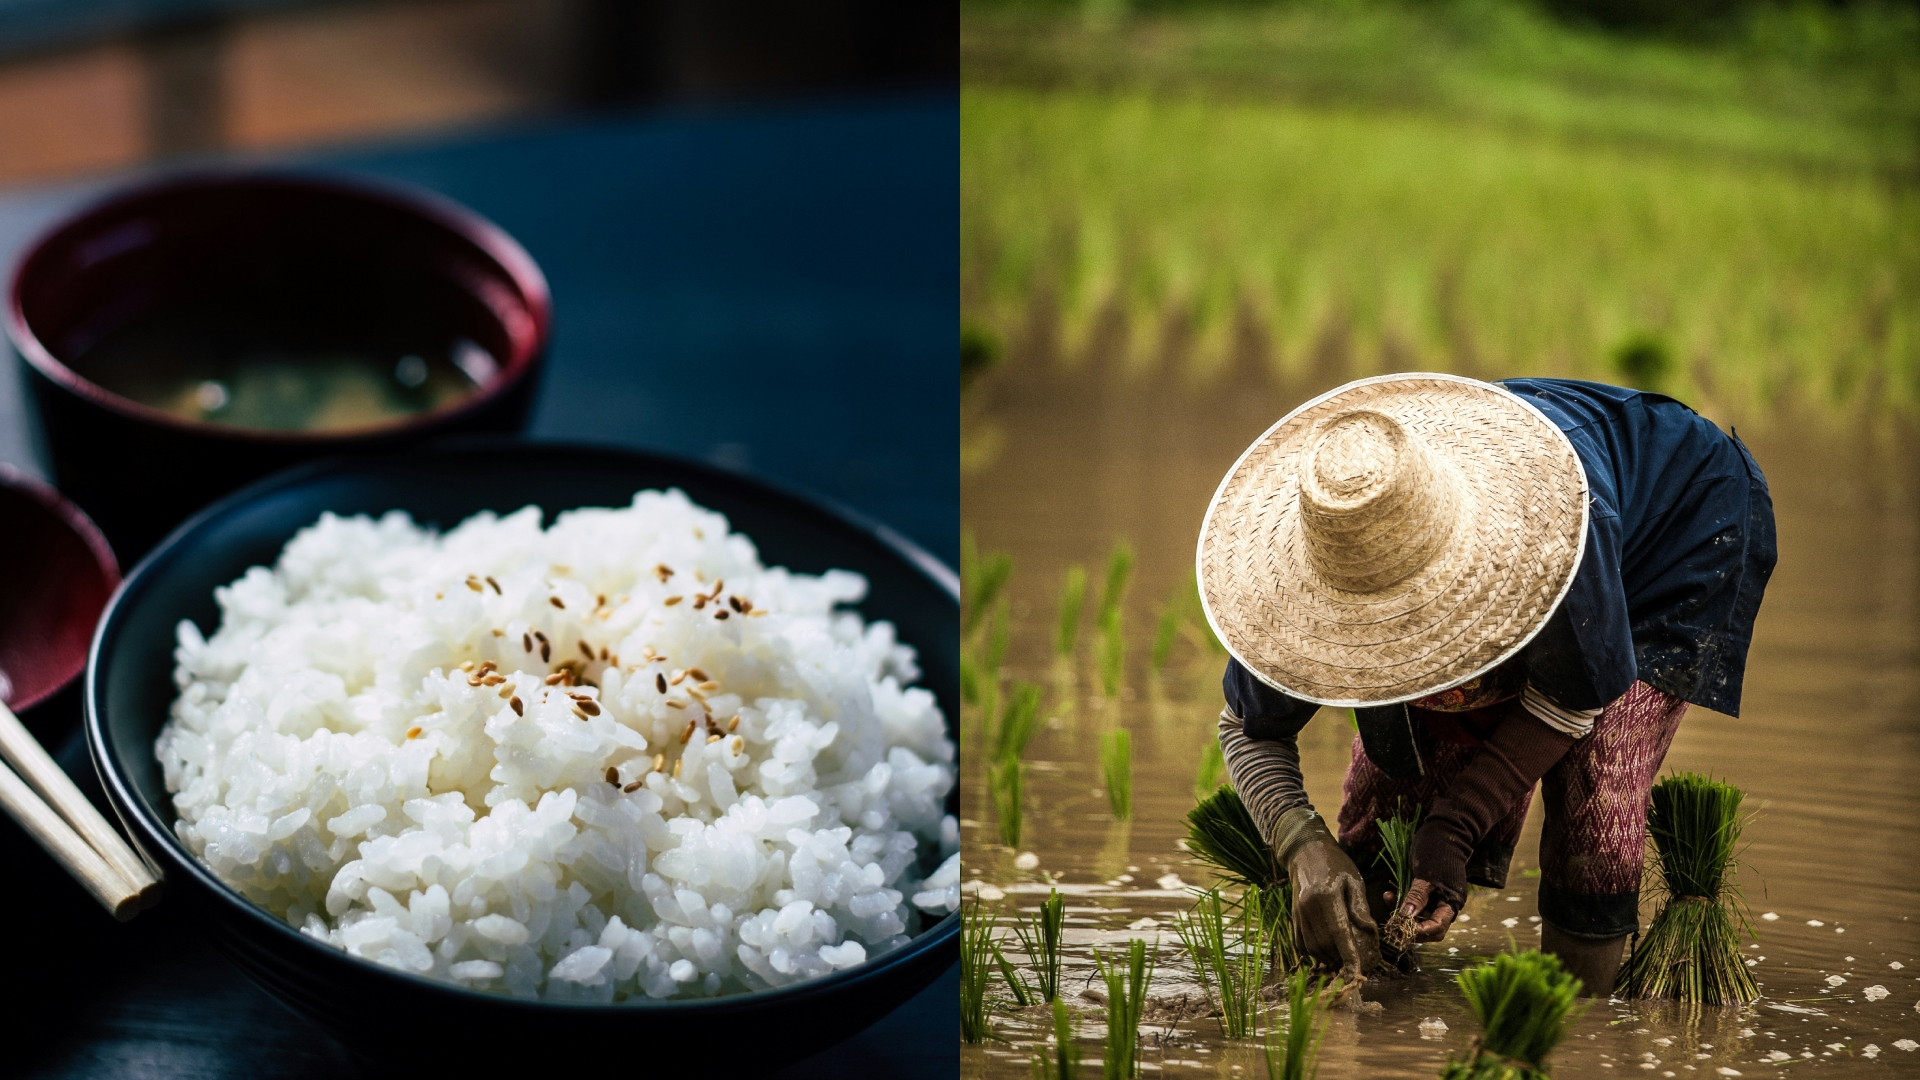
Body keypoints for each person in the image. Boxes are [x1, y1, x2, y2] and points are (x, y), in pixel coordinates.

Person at [1195, 374, 1775, 993]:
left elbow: (1576, 697)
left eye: (1409, 614)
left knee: (1598, 793)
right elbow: (1247, 729)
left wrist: (1458, 824)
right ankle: (1375, 982)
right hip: (1517, 515)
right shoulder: (1304, 573)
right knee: (1396, 788)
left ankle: (1572, 1020)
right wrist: (1301, 844)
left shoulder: (1552, 540)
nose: (1393, 633)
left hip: (1677, 525)